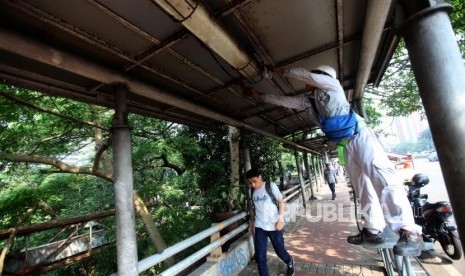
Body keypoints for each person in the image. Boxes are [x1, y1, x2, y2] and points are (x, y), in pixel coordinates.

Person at [243, 65, 423, 256]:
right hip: (346, 145)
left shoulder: (333, 85)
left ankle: (410, 232)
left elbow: (306, 73)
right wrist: (258, 95)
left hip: (361, 136)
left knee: (383, 179)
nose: (308, 83)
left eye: (313, 78)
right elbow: (283, 100)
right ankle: (372, 230)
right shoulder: (309, 101)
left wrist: (280, 71)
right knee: (362, 186)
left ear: (322, 76)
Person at [246, 168, 295, 276]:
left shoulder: (270, 186)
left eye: (254, 181)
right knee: (261, 257)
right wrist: (251, 223)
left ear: (260, 177)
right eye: (250, 182)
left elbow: (281, 203)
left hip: (274, 225)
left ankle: (289, 261)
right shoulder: (251, 191)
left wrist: (281, 220)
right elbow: (254, 209)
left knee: (280, 251)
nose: (253, 185)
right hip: (260, 227)